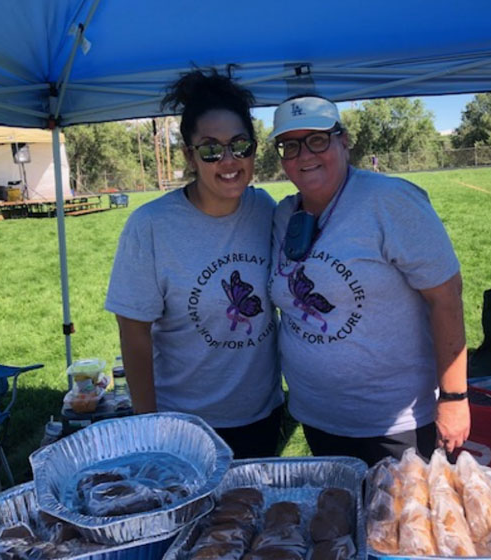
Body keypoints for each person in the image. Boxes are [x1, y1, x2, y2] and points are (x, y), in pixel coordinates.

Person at [267, 95, 469, 465]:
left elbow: (447, 296)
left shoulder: (390, 201)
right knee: (341, 518)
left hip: (393, 424)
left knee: (401, 522)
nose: (303, 155)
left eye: (317, 139)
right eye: (290, 145)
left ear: (344, 141)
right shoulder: (283, 215)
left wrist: (455, 399)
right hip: (316, 417)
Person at [105, 69, 283, 459]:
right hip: (184, 426)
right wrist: (147, 422)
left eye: (240, 145)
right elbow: (133, 332)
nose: (228, 160)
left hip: (263, 416)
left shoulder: (266, 211)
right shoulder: (150, 225)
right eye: (210, 149)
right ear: (189, 155)